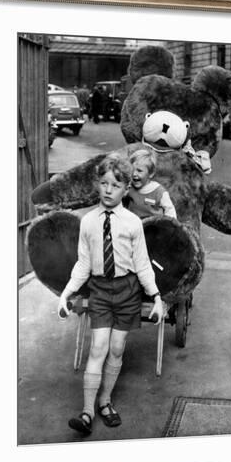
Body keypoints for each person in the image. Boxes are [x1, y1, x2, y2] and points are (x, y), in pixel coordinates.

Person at [58, 154, 164, 435]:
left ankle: (105, 401)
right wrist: (66, 293)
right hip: (101, 290)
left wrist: (155, 297)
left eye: (115, 185)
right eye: (103, 183)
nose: (108, 189)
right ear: (97, 184)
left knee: (117, 349)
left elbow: (141, 263)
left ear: (126, 189)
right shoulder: (88, 222)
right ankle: (87, 412)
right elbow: (82, 262)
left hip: (128, 290)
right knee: (98, 348)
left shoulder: (132, 223)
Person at [126, 148, 177, 219]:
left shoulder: (159, 192)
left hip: (153, 226)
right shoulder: (129, 187)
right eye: (132, 170)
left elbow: (170, 210)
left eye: (139, 171)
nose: (134, 174)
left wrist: (170, 227)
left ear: (151, 173)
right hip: (134, 225)